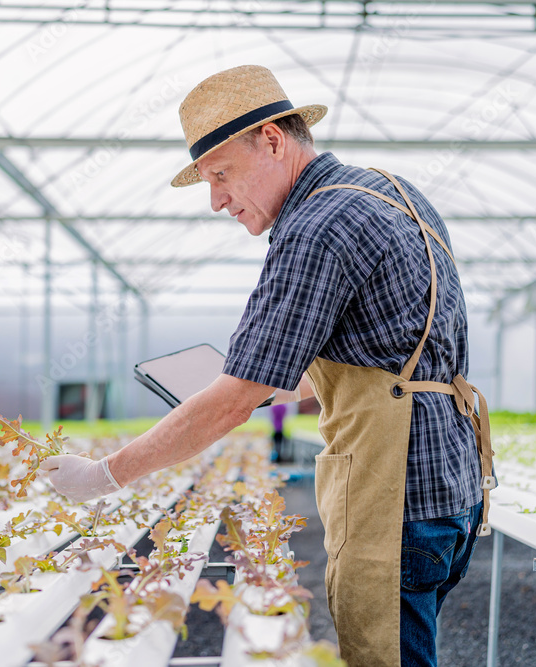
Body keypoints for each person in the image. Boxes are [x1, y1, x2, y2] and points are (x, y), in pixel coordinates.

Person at [41, 64, 496, 667]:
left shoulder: (316, 228)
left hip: (397, 499)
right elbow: (381, 353)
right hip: (451, 487)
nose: (216, 201)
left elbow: (232, 400)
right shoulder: (391, 190)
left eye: (221, 174)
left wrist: (104, 474)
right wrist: (262, 389)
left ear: (274, 141)